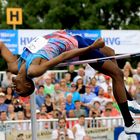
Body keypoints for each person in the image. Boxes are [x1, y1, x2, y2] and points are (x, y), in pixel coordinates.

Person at [0, 30, 140, 134]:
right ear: (27, 83)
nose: (14, 88)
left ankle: (128, 100)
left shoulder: (14, 65)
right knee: (117, 74)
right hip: (76, 48)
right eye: (18, 90)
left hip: (69, 36)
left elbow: (1, 46)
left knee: (110, 52)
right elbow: (63, 56)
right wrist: (91, 48)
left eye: (16, 90)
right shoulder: (35, 70)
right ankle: (129, 123)